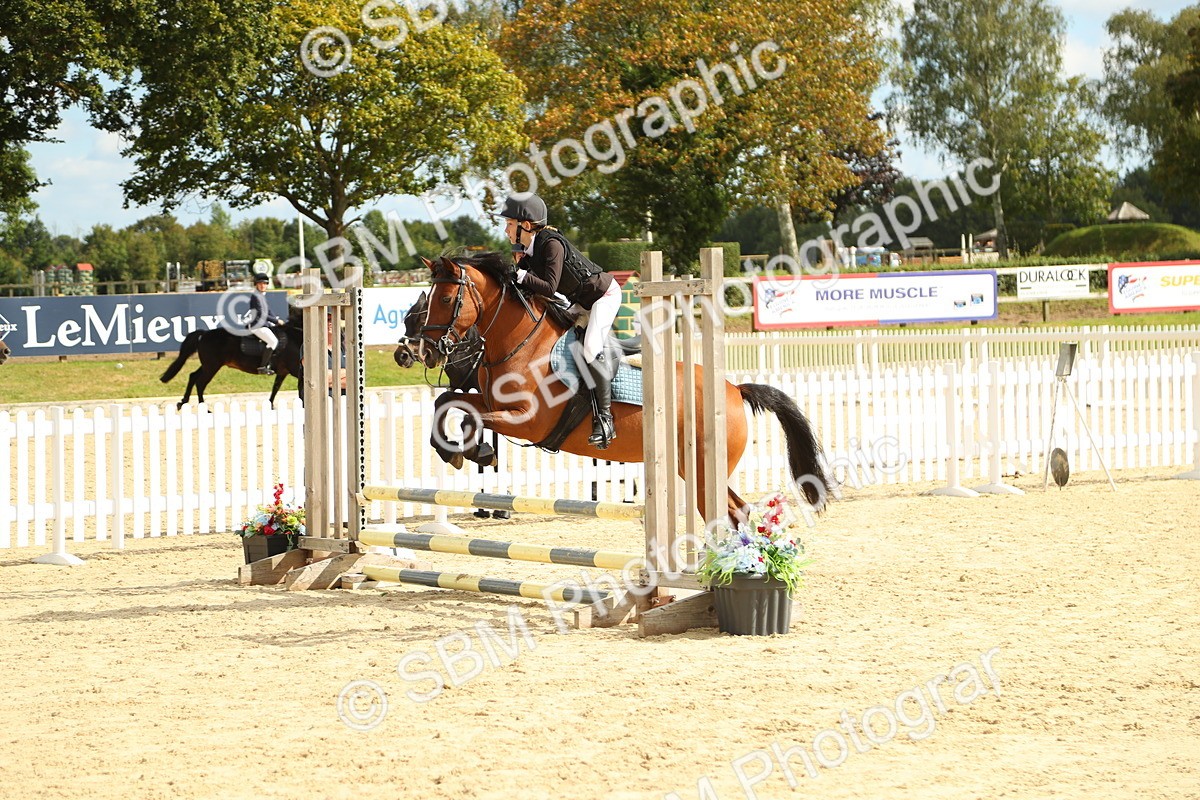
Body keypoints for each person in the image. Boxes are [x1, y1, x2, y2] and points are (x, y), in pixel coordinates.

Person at [501, 193, 622, 448]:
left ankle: (605, 420)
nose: (506, 229)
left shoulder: (550, 244)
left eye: (510, 224)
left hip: (603, 296)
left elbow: (549, 286)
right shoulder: (531, 252)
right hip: (580, 301)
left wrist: (522, 275)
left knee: (590, 349)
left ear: (525, 225)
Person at [247, 273, 284, 375]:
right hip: (257, 326)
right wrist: (276, 321)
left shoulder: (261, 296)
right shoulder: (256, 296)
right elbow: (262, 314)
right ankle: (262, 367)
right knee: (273, 341)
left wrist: (277, 319)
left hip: (264, 324)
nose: (263, 285)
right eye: (260, 283)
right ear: (256, 284)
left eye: (265, 284)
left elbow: (268, 310)